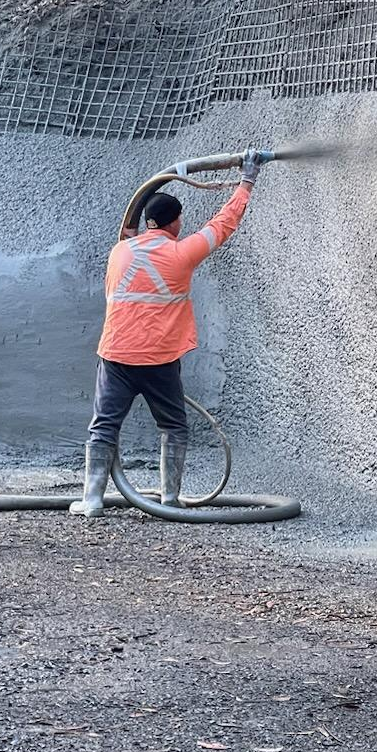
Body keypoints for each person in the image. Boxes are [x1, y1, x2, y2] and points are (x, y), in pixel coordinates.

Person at [70, 148, 266, 518]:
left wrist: (146, 195)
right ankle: (170, 500)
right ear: (174, 222)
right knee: (174, 426)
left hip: (115, 357)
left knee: (104, 427)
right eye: (179, 219)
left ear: (149, 223)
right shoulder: (182, 254)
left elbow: (127, 229)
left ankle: (92, 500)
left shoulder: (119, 253)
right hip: (159, 359)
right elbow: (222, 224)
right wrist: (247, 182)